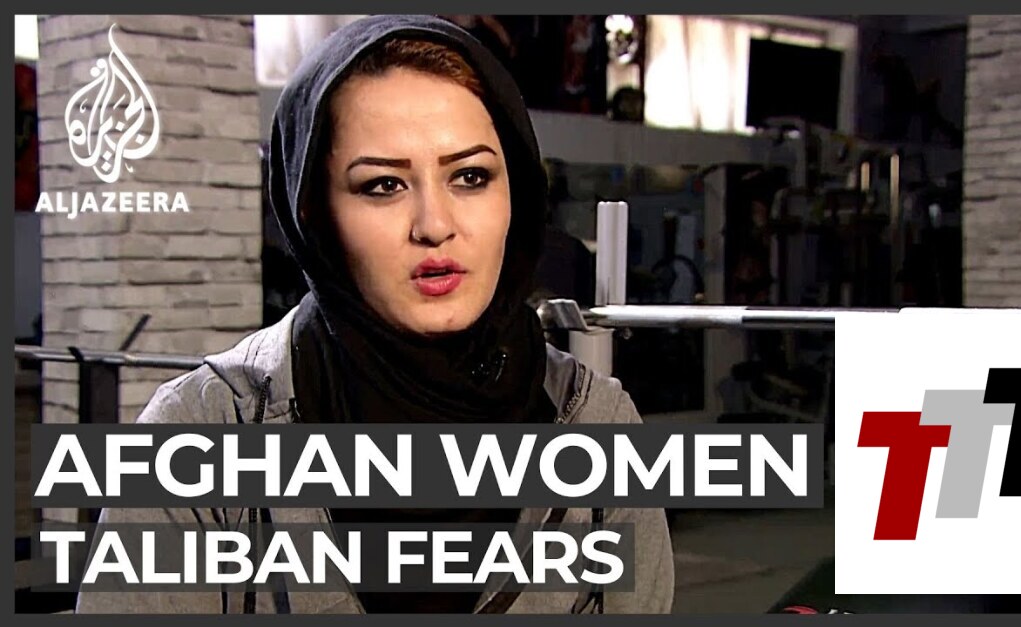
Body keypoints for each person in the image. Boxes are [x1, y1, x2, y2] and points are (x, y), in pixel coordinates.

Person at [75, 15, 674, 614]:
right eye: (383, 185)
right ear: (311, 212)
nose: (435, 225)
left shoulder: (598, 426)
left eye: (471, 176)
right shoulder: (199, 432)